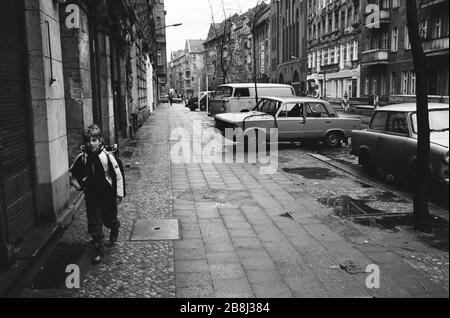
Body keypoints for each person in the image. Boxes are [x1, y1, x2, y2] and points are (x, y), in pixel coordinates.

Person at [70, 124, 125, 264]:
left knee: (109, 218)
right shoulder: (82, 158)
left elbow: (118, 175)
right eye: (88, 141)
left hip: (107, 196)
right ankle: (99, 248)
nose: (91, 143)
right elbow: (72, 173)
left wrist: (119, 194)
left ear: (100, 140)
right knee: (94, 223)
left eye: (94, 140)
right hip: (92, 197)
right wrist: (78, 185)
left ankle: (114, 226)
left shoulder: (107, 157)